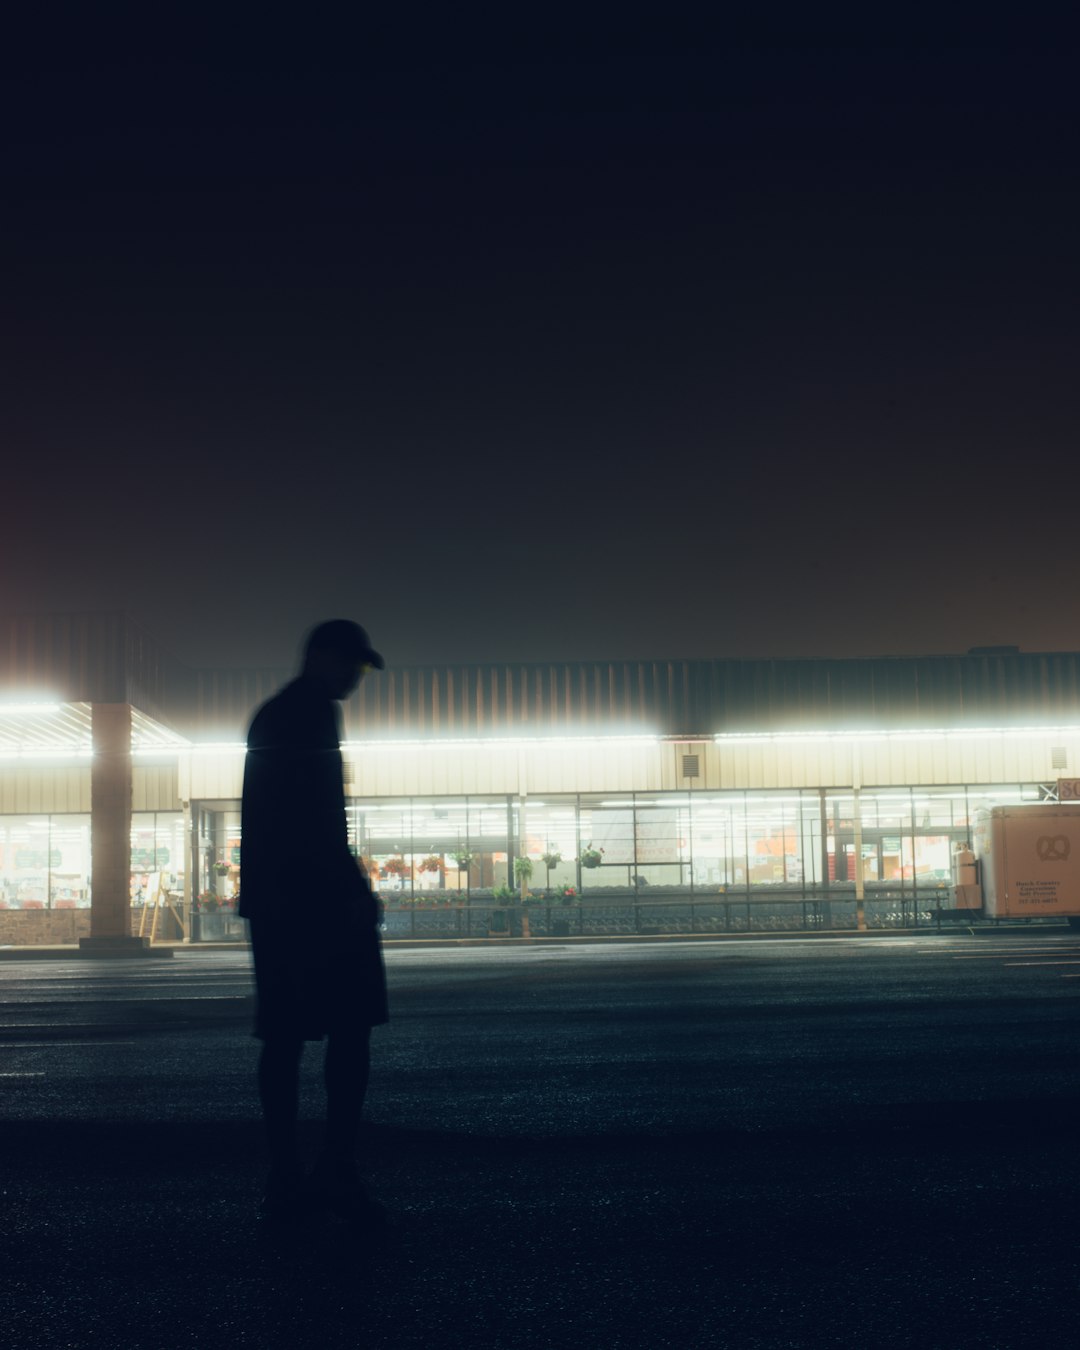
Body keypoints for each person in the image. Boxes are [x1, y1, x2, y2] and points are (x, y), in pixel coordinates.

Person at [239, 619, 389, 1223]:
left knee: (284, 1038)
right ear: (322, 657)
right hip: (314, 905)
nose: (356, 677)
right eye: (351, 664)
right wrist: (353, 890)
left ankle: (286, 1176)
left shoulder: (277, 713)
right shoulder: (310, 716)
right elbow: (319, 820)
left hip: (277, 905)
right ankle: (336, 1171)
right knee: (350, 1029)